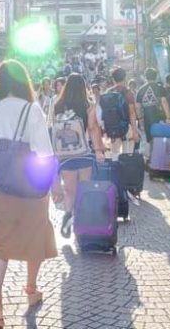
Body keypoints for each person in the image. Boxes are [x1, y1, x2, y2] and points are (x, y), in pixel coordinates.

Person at [0, 60, 60, 328]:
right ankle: (31, 288)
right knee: (35, 233)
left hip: (1, 181)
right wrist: (55, 183)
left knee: (0, 239)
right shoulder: (32, 109)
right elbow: (44, 150)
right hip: (31, 182)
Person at [52, 73, 106, 237]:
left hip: (65, 155)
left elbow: (53, 128)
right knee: (84, 188)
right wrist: (98, 151)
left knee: (69, 190)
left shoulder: (58, 105)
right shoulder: (87, 104)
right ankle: (82, 222)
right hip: (83, 153)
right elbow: (93, 128)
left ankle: (68, 214)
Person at [100, 67, 139, 157]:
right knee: (128, 154)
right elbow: (132, 113)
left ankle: (115, 169)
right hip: (127, 127)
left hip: (112, 128)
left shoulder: (108, 92)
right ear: (125, 78)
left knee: (114, 153)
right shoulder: (128, 93)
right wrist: (134, 131)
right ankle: (126, 170)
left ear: (113, 79)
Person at [136, 67, 170, 153]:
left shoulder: (140, 90)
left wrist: (140, 120)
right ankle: (158, 159)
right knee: (160, 139)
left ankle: (151, 160)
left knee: (150, 140)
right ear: (155, 77)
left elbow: (138, 107)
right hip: (160, 118)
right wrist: (168, 117)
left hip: (146, 119)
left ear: (145, 76)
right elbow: (164, 102)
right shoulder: (160, 88)